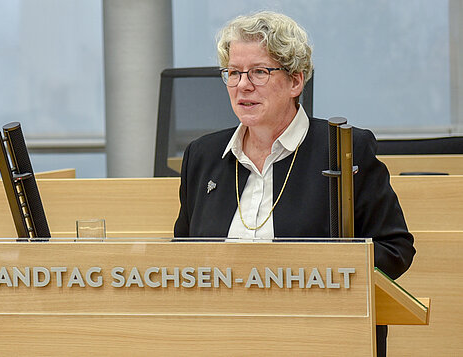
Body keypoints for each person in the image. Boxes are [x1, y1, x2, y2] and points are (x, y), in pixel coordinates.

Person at [173, 11, 415, 357]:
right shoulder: (203, 154)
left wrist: (313, 274)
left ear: (296, 81)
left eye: (259, 72)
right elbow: (180, 256)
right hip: (218, 339)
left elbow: (395, 249)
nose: (243, 85)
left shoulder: (344, 150)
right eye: (234, 73)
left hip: (316, 340)